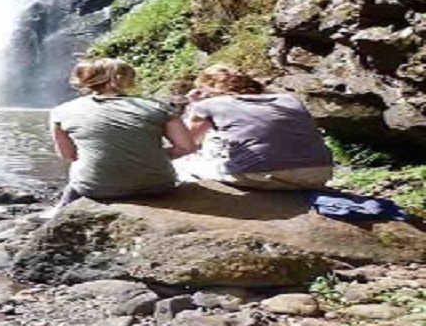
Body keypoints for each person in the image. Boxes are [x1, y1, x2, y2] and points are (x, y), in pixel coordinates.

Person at [46, 58, 195, 213]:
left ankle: (56, 214)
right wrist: (146, 155)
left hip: (96, 188)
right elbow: (186, 147)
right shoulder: (157, 107)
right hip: (158, 186)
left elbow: (68, 156)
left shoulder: (61, 111)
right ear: (126, 79)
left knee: (76, 175)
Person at [175, 64, 334, 190]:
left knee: (179, 165)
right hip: (320, 173)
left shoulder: (208, 104)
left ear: (205, 88)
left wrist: (194, 106)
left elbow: (188, 144)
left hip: (260, 174)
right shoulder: (290, 99)